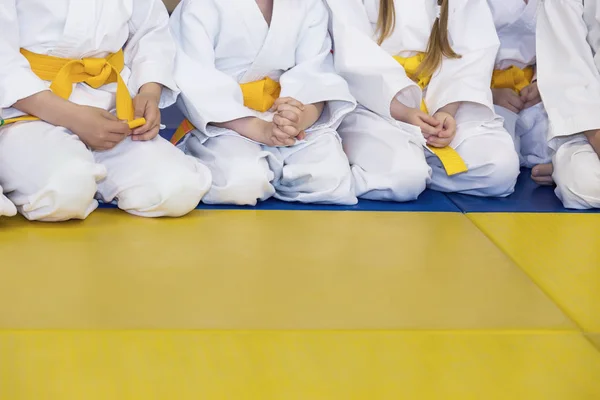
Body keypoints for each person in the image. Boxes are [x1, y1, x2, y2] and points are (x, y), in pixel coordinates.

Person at [0, 0, 211, 222]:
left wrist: (149, 90)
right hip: (27, 108)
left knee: (177, 189)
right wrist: (72, 116)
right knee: (63, 192)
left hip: (109, 108)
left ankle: (85, 171)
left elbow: (150, 29)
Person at [325, 0, 520, 201]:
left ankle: (410, 166)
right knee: (404, 179)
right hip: (375, 101)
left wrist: (446, 112)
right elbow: (352, 51)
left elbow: (472, 51)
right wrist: (404, 111)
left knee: (500, 170)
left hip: (442, 96)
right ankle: (401, 169)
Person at [169, 0, 358, 206]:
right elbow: (196, 80)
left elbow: (316, 74)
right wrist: (258, 128)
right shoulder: (200, 6)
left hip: (287, 119)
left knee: (330, 179)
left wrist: (299, 118)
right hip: (227, 121)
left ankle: (276, 166)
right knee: (241, 184)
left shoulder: (308, 5)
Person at [532, 0, 600, 209]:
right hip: (591, 128)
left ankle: (563, 168)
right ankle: (568, 167)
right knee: (583, 182)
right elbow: (569, 72)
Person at [488, 0, 550, 168]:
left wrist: (540, 81)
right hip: (479, 91)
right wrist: (489, 93)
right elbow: (450, 51)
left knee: (554, 150)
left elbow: (564, 44)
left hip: (532, 91)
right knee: (499, 160)